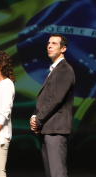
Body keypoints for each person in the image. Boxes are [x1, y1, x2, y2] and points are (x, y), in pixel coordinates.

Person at [30, 33, 75, 177]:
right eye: (49, 43)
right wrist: (35, 116)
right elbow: (45, 98)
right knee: (51, 173)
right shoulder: (55, 69)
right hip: (48, 128)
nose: (49, 46)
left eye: (54, 43)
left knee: (57, 173)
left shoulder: (64, 69)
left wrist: (38, 120)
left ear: (63, 49)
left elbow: (55, 99)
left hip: (56, 129)